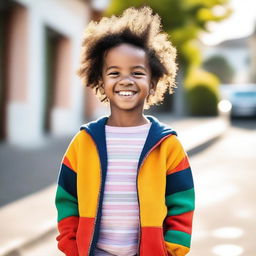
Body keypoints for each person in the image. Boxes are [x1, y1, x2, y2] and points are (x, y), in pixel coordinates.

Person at [55, 6, 195, 256]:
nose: (126, 80)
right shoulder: (84, 142)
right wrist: (71, 244)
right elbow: (67, 197)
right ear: (101, 80)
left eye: (137, 72)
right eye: (114, 72)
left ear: (152, 82)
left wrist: (172, 248)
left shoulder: (167, 145)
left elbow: (181, 201)